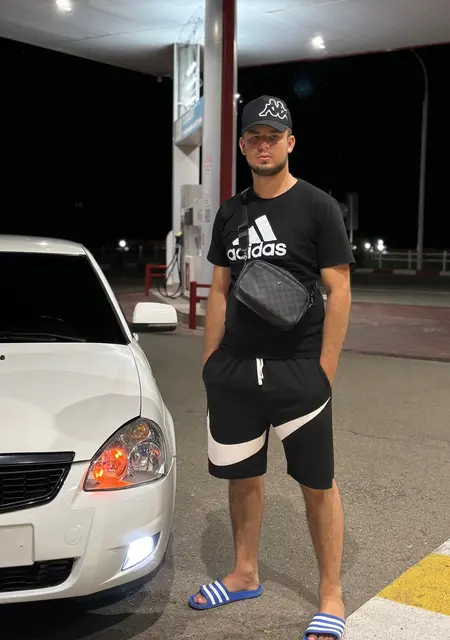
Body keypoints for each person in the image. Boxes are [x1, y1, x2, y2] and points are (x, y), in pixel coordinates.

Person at [188, 95, 354, 640]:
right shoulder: (230, 213)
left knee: (317, 483)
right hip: (236, 370)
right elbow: (219, 288)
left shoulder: (318, 207)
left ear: (290, 143)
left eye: (273, 136)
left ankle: (330, 594)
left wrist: (324, 368)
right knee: (242, 475)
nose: (264, 145)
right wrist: (210, 360)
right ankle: (244, 573)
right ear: (243, 146)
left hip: (298, 370)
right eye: (255, 136)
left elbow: (339, 289)